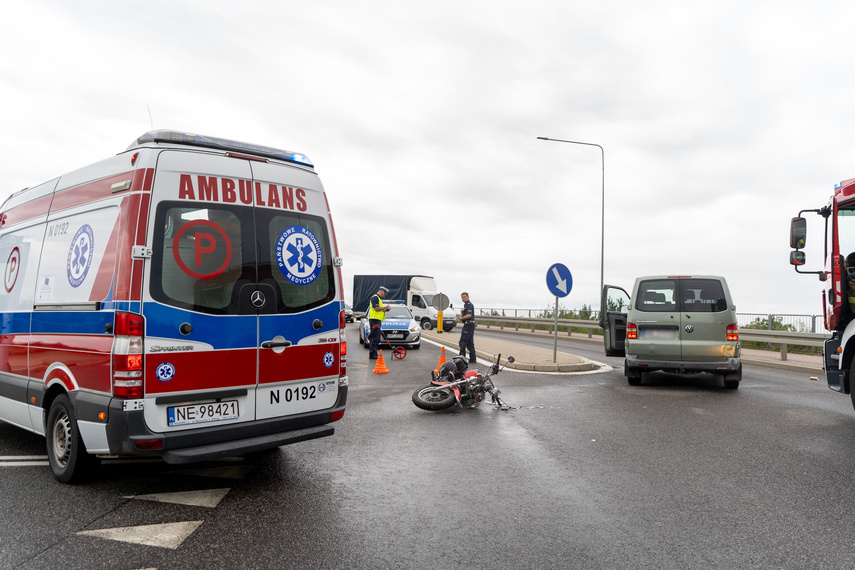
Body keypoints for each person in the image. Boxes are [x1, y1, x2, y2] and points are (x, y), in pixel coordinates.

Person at [367, 286, 391, 359]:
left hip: (377, 320)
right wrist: (385, 307)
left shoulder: (378, 299)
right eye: (384, 294)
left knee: (376, 337)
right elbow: (376, 308)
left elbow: (379, 309)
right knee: (374, 337)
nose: (384, 296)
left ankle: (374, 353)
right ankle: (372, 354)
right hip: (374, 320)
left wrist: (385, 310)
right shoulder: (375, 298)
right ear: (381, 291)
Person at [458, 292, 476, 363]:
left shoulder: (469, 305)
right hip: (469, 325)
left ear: (468, 297)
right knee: (470, 343)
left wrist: (461, 318)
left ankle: (462, 358)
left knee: (462, 342)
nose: (463, 298)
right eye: (462, 297)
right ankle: (473, 358)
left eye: (464, 297)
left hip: (468, 325)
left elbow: (469, 315)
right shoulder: (466, 305)